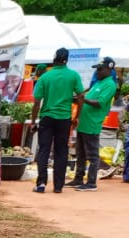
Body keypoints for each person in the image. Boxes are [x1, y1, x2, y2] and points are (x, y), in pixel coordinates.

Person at [30, 47, 84, 194]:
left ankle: (41, 184)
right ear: (66, 60)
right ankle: (58, 186)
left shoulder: (45, 77)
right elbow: (81, 96)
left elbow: (36, 102)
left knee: (44, 150)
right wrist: (77, 117)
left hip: (47, 117)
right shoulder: (73, 75)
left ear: (54, 59)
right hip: (64, 118)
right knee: (61, 151)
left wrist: (33, 121)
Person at [72, 57, 118, 192]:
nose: (97, 72)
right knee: (80, 153)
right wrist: (77, 99)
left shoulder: (110, 85)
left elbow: (100, 103)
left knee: (92, 155)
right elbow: (86, 99)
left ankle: (91, 182)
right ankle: (78, 178)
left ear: (108, 69)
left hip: (92, 124)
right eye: (97, 69)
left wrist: (83, 99)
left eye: (100, 69)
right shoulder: (98, 83)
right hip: (83, 123)